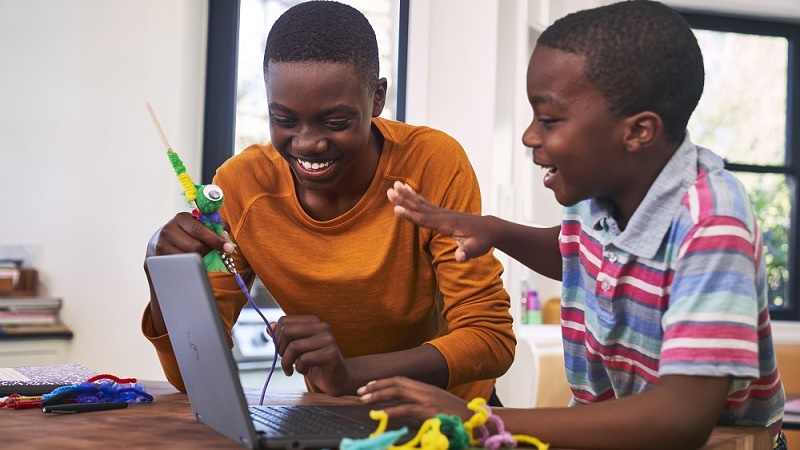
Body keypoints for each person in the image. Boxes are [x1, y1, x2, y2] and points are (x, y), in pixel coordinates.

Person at [356, 1, 786, 449]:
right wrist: (496, 230)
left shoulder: (712, 221)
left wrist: (476, 418)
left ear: (638, 131)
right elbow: (578, 252)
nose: (529, 136)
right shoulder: (597, 195)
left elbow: (681, 417)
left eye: (548, 120)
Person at [141, 0, 515, 403]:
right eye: (284, 120)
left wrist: (352, 375)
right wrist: (166, 279)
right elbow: (193, 374)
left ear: (377, 97)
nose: (307, 143)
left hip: (449, 411)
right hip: (331, 412)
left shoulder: (431, 164)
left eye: (335, 122)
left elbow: (490, 339)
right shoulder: (242, 186)